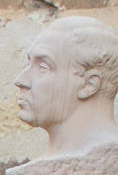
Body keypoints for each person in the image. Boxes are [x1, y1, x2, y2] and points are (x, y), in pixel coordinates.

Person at [14, 15, 118, 158]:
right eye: (29, 64)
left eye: (43, 67)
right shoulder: (36, 170)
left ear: (89, 84)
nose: (20, 81)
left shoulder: (108, 160)